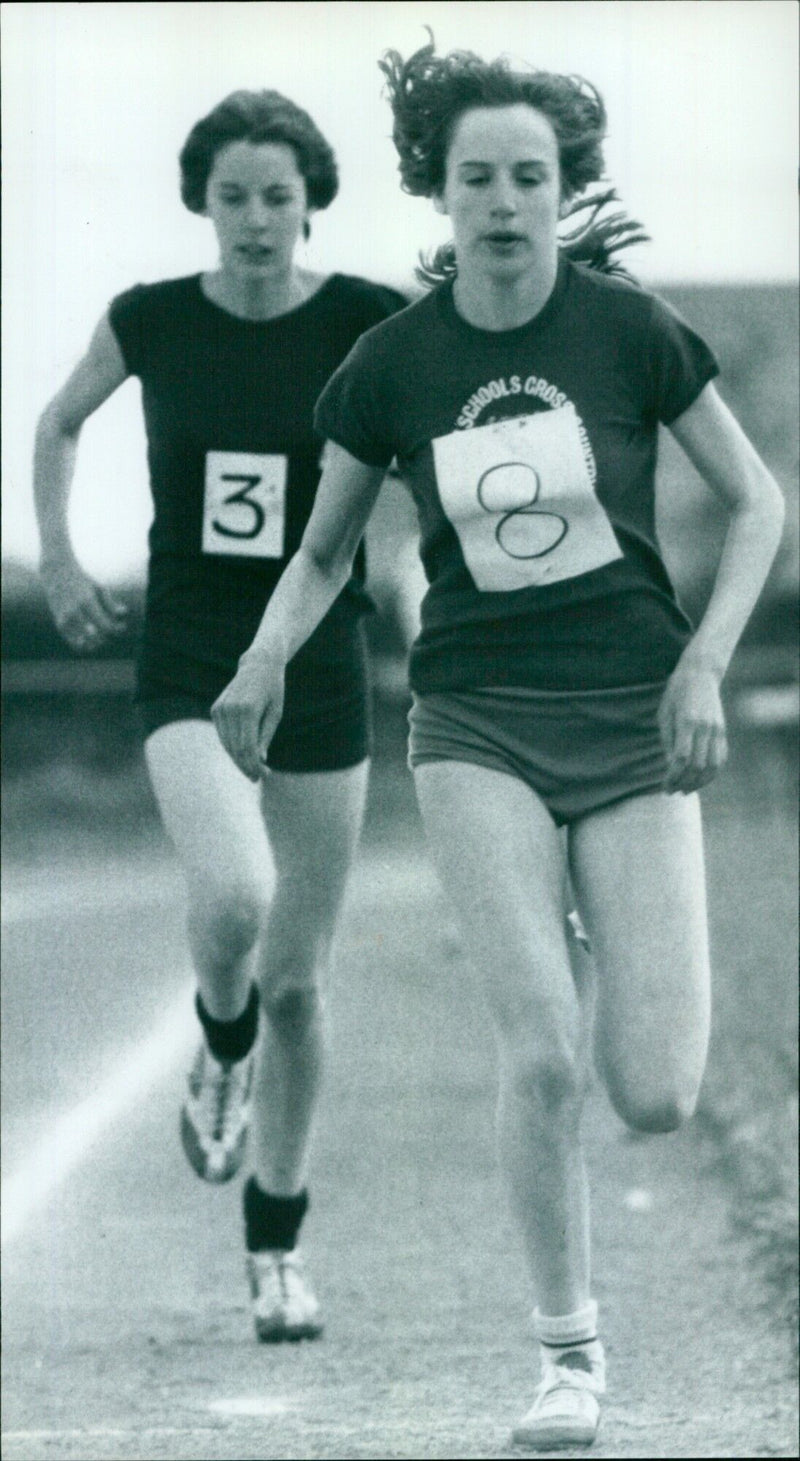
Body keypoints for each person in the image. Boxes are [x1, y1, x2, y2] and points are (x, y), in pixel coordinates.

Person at [211, 40, 785, 1451]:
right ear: (441, 191)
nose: (507, 200)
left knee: (654, 1095)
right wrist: (266, 650)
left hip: (637, 716)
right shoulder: (393, 365)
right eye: (479, 177)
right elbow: (328, 546)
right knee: (541, 1057)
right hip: (474, 725)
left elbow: (761, 504)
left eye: (532, 175)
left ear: (562, 185)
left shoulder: (630, 331)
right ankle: (569, 1362)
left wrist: (705, 663)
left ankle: (598, 926)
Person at [33, 89, 405, 1344]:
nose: (257, 219)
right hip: (190, 654)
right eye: (234, 195)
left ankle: (276, 1253)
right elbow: (56, 424)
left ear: (312, 200)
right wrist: (64, 563)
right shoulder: (149, 318)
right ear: (204, 201)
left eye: (278, 195)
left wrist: (419, 577)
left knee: (302, 985)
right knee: (236, 903)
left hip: (320, 662)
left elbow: (437, 446)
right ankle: (217, 1037)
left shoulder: (366, 320)